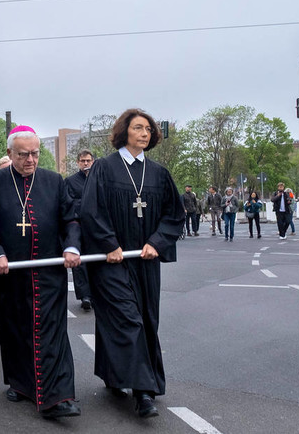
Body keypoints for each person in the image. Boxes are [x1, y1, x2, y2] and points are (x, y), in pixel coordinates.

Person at [79, 108, 184, 419]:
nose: (145, 133)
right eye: (139, 127)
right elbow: (91, 211)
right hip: (112, 262)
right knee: (127, 320)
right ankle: (143, 392)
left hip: (145, 261)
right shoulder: (104, 169)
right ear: (124, 131)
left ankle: (116, 376)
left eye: (149, 129)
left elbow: (174, 215)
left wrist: (157, 242)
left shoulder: (159, 173)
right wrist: (110, 244)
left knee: (147, 320)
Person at [0, 127, 82, 420]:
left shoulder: (53, 181)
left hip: (48, 273)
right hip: (10, 274)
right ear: (10, 153)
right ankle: (21, 384)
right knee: (15, 332)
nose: (31, 160)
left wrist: (72, 247)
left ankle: (58, 398)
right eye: (24, 154)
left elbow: (71, 220)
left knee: (52, 334)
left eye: (35, 153)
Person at [64, 150, 95, 311]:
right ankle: (85, 295)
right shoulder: (70, 181)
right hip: (78, 226)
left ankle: (96, 293)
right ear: (78, 162)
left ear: (93, 161)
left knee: (95, 261)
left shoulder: (99, 180)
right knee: (79, 263)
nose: (85, 163)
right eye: (82, 160)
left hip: (96, 228)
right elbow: (68, 203)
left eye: (88, 160)